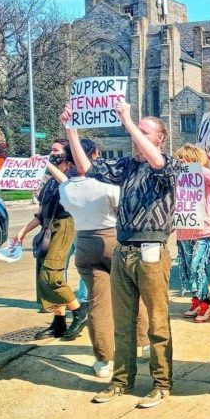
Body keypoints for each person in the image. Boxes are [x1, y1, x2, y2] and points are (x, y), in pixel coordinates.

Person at [65, 101, 180, 409]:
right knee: (123, 321)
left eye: (144, 132)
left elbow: (158, 164)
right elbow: (87, 169)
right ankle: (121, 380)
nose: (136, 137)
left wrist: (128, 121)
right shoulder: (128, 166)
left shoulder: (168, 165)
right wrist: (71, 130)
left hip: (151, 251)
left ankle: (161, 383)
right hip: (123, 250)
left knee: (157, 322)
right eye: (135, 131)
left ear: (160, 138)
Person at [51, 137, 150, 377]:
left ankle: (103, 360)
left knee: (97, 303)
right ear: (94, 155)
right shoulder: (105, 184)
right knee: (132, 291)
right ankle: (144, 341)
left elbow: (68, 200)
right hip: (113, 237)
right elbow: (121, 208)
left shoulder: (65, 188)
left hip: (85, 241)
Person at [14, 140, 87, 341]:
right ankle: (59, 321)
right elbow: (41, 212)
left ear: (67, 153)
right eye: (51, 150)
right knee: (43, 275)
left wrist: (46, 164)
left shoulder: (74, 174)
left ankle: (79, 312)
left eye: (56, 150)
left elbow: (69, 187)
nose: (51, 153)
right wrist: (23, 231)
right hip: (48, 226)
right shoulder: (50, 182)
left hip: (65, 225)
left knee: (52, 274)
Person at [175, 144, 210, 323]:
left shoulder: (204, 178)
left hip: (203, 229)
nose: (181, 162)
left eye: (185, 159)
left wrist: (193, 168)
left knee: (197, 267)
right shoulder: (178, 178)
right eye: (179, 159)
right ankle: (196, 301)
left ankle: (206, 305)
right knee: (189, 269)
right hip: (184, 230)